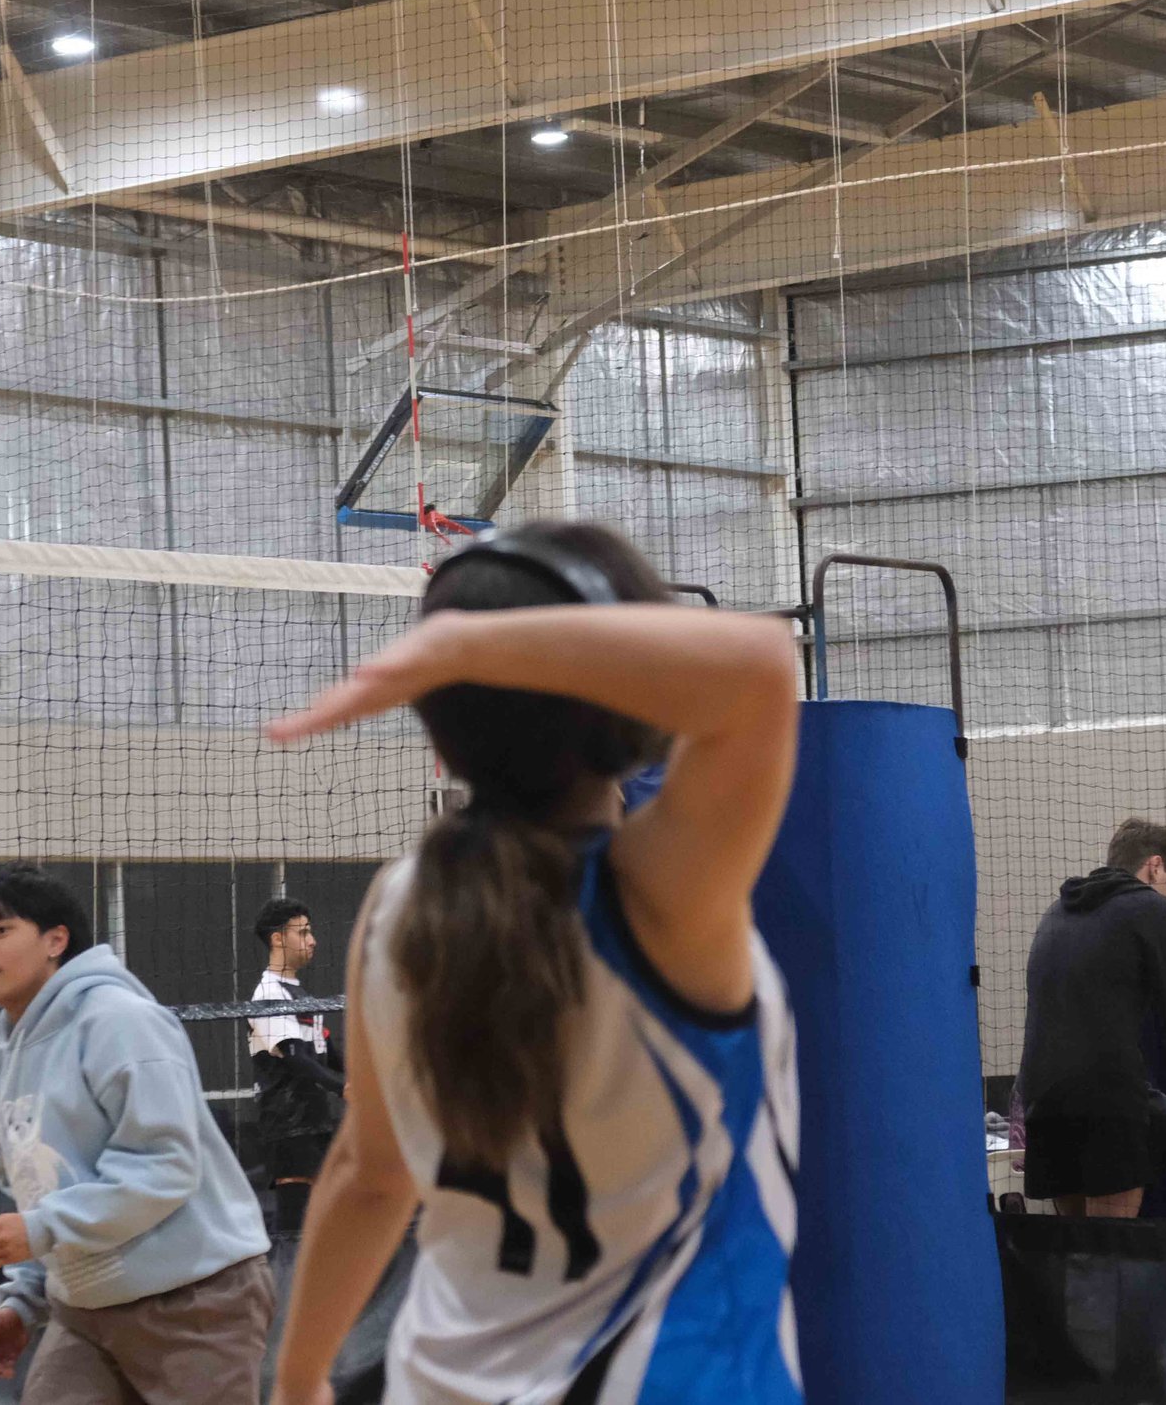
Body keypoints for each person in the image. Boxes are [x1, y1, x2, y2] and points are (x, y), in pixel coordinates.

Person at [262, 522, 803, 1405]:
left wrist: (296, 1380)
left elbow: (370, 1174)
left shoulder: (397, 908)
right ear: (632, 705)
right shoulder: (665, 897)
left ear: (443, 730)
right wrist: (469, 646)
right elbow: (761, 663)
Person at [0, 863, 274, 1405]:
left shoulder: (120, 1020)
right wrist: (23, 1300)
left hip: (194, 1295)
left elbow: (166, 1165)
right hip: (83, 1309)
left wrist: (41, 1229)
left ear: (56, 940)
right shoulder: (3, 1057)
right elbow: (35, 1192)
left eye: (0, 930)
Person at [1017, 817, 1166, 1219]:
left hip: (1041, 1100)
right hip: (1104, 1100)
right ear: (1155, 866)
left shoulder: (1056, 913)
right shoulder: (1153, 910)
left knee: (1075, 1245)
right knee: (1112, 1247)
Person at [249, 897, 344, 1231]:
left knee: (324, 1222)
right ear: (278, 939)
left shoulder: (302, 995)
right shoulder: (267, 994)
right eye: (303, 933)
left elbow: (330, 1055)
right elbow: (295, 1057)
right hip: (288, 1126)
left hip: (316, 1122)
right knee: (295, 1224)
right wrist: (345, 1088)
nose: (312, 940)